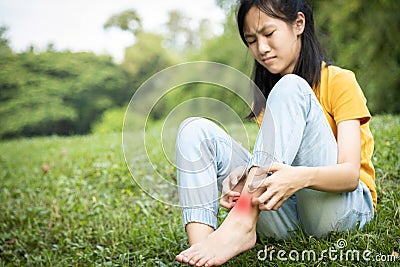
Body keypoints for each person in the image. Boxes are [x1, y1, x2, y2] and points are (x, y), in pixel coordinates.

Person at [175, 0, 376, 266]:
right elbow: (275, 167)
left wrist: (298, 178)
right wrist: (245, 176)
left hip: (341, 210)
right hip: (290, 215)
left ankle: (242, 222)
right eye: (251, 40)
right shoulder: (269, 100)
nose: (261, 48)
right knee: (194, 130)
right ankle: (201, 250)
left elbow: (350, 176)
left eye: (269, 34)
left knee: (291, 86)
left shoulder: (338, 81)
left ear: (298, 24)